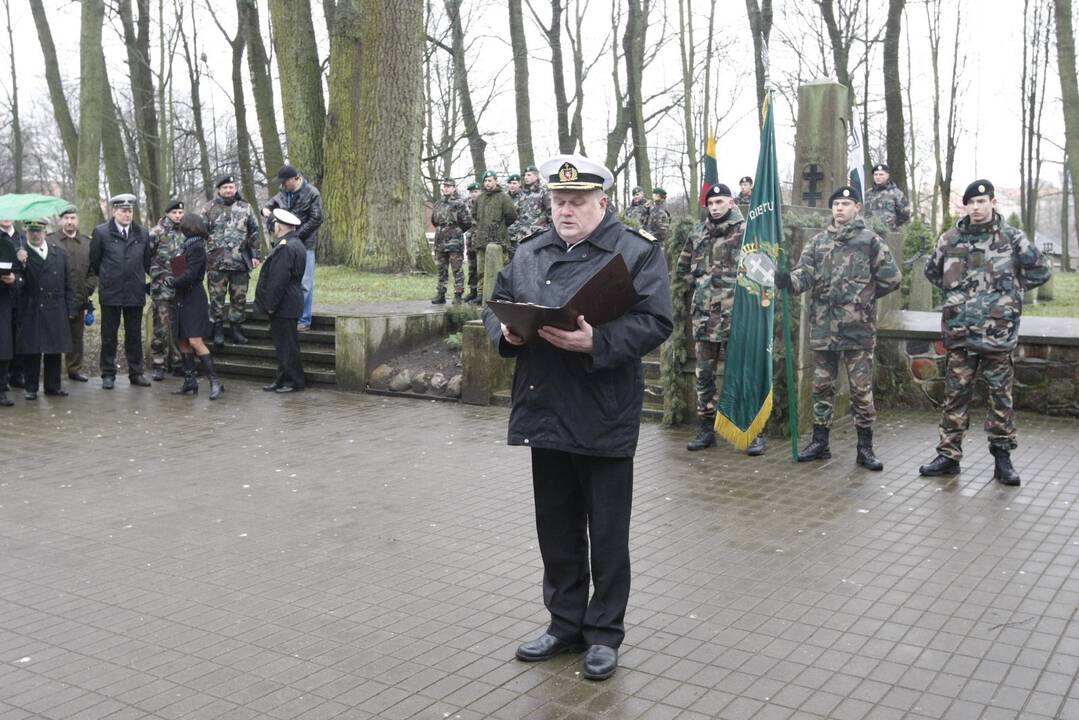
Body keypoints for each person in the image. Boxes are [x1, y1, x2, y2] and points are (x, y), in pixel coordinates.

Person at [482, 154, 673, 681]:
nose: (566, 211)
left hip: (603, 410)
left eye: (577, 202)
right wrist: (505, 332)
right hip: (545, 406)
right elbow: (493, 304)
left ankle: (604, 634)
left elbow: (657, 320)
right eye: (559, 201)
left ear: (602, 202)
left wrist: (599, 340)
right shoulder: (529, 251)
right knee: (557, 528)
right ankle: (564, 623)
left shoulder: (635, 252)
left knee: (608, 531)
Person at [918, 180, 1051, 485]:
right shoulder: (950, 239)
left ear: (993, 202)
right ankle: (948, 456)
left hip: (997, 335)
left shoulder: (1012, 239)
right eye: (971, 202)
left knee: (1000, 398)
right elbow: (932, 272)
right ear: (964, 206)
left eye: (982, 201)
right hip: (960, 334)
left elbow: (1041, 271)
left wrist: (1009, 294)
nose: (976, 208)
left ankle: (1002, 460)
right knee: (954, 396)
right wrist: (962, 298)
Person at [774, 186, 901, 469]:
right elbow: (803, 274)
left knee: (860, 390)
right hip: (823, 328)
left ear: (857, 207)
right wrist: (789, 281)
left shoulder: (870, 241)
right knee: (821, 387)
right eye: (836, 204)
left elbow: (891, 278)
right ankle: (820, 442)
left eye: (846, 203)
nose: (840, 209)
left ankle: (865, 448)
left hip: (858, 331)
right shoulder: (818, 242)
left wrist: (863, 299)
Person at [677, 184, 765, 456]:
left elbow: (761, 270)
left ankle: (751, 431)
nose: (714, 207)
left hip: (736, 317)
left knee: (741, 375)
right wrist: (699, 282)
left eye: (719, 201)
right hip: (704, 317)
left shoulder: (746, 231)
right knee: (704, 376)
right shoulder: (698, 232)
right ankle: (706, 428)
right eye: (710, 202)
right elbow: (683, 267)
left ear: (731, 201)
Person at [90, 193, 152, 389]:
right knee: (109, 336)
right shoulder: (101, 232)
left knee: (134, 336)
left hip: (135, 291)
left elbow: (147, 261)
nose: (127, 214)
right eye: (123, 211)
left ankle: (136, 372)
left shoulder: (142, 233)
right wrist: (110, 278)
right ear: (114, 211)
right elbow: (95, 261)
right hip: (111, 292)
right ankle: (108, 374)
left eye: (130, 211)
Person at [15, 220, 75, 400]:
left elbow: (68, 284)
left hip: (56, 308)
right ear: (27, 232)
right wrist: (21, 265)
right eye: (32, 231)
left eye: (39, 231)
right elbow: (17, 283)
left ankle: (53, 386)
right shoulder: (20, 254)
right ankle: (31, 387)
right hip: (31, 308)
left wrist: (71, 308)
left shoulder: (59, 253)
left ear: (45, 232)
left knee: (54, 350)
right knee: (32, 351)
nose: (35, 235)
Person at [168, 214, 224, 399]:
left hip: (193, 297)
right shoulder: (185, 246)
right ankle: (190, 380)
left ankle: (215, 381)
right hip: (181, 297)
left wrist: (173, 282)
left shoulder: (197, 247)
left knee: (194, 340)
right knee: (182, 339)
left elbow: (192, 273)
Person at [262, 164, 322, 331]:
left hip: (305, 243)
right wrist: (266, 210)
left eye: (284, 182)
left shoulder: (312, 193)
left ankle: (304, 319)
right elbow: (269, 204)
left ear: (294, 179)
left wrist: (297, 235)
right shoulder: (283, 192)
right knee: (280, 280)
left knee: (305, 282)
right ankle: (283, 316)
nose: (282, 185)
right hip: (284, 244)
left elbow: (316, 218)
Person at [205, 174, 261, 348]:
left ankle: (236, 329)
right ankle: (218, 330)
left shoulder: (245, 207)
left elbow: (254, 231)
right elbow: (201, 232)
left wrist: (255, 254)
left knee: (239, 298)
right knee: (216, 298)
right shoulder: (209, 208)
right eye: (225, 187)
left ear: (235, 188)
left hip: (239, 261)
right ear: (219, 190)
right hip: (217, 263)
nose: (228, 190)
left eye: (231, 187)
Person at [255, 209, 307, 393]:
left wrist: (270, 305)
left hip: (284, 303)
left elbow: (279, 280)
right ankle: (282, 378)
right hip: (289, 301)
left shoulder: (286, 247)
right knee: (283, 344)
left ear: (278, 226)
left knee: (287, 345)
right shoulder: (295, 243)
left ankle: (294, 381)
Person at [49, 206, 96, 383]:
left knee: (76, 337)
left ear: (77, 220)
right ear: (61, 220)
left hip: (78, 298)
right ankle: (52, 374)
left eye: (73, 218)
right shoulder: (51, 240)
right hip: (55, 299)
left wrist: (86, 289)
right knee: (53, 336)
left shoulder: (87, 243)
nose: (70, 222)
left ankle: (74, 369)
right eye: (66, 218)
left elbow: (93, 271)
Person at [147, 199, 185, 380]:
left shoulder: (185, 232)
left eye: (180, 213)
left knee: (178, 325)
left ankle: (177, 361)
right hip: (161, 286)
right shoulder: (156, 233)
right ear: (167, 213)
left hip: (180, 286)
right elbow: (145, 257)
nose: (178, 216)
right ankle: (158, 362)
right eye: (174, 213)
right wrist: (155, 275)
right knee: (161, 325)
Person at [470, 170, 517, 303]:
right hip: (481, 239)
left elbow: (512, 215)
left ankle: (500, 294)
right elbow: (474, 215)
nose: (487, 183)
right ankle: (481, 294)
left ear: (496, 181)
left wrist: (500, 227)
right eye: (485, 181)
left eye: (490, 180)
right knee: (481, 269)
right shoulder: (480, 198)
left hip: (498, 240)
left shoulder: (504, 197)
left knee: (500, 267)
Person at [430, 179, 473, 305]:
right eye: (445, 186)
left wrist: (456, 231)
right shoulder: (438, 203)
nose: (447, 188)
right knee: (441, 269)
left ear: (454, 188)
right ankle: (441, 293)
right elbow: (434, 220)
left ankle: (458, 294)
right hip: (440, 242)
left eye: (449, 186)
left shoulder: (459, 204)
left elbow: (467, 222)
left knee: (457, 269)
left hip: (454, 242)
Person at [0, 218, 26, 387]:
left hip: (20, 293)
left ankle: (17, 375)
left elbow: (29, 270)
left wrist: (23, 266)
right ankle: (3, 379)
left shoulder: (22, 237)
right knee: (4, 338)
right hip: (2, 295)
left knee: (20, 334)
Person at [508, 164, 551, 250]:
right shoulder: (521, 194)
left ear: (536, 176)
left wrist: (550, 232)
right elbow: (516, 214)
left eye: (529, 175)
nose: (526, 177)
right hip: (522, 236)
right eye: (525, 175)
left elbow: (550, 212)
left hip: (539, 234)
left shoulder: (543, 192)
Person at [863, 163, 911, 231]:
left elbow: (905, 214)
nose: (878, 177)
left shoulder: (896, 193)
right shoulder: (867, 194)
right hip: (870, 232)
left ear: (887, 176)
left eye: (881, 174)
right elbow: (863, 213)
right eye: (876, 175)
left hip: (890, 233)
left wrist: (894, 225)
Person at [463, 181, 482, 303]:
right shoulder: (466, 204)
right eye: (471, 192)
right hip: (470, 238)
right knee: (471, 266)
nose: (473, 194)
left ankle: (481, 293)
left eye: (476, 191)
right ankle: (473, 290)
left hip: (480, 238)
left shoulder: (484, 203)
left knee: (481, 266)